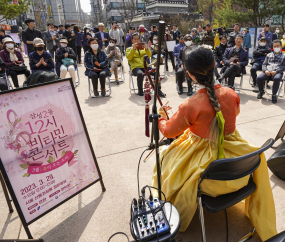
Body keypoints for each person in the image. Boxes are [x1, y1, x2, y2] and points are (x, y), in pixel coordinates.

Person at [151, 44, 277, 242]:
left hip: (209, 175)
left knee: (163, 159)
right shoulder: (231, 93)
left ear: (190, 75)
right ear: (215, 65)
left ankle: (169, 213)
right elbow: (231, 115)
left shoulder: (189, 105)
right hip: (238, 171)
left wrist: (160, 116)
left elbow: (168, 131)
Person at [126, 33, 165, 97]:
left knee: (156, 72)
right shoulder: (129, 49)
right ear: (132, 40)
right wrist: (133, 49)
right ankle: (140, 90)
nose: (136, 41)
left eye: (138, 39)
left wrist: (147, 49)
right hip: (135, 67)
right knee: (140, 74)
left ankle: (158, 90)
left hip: (145, 66)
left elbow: (149, 55)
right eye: (135, 39)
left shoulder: (143, 48)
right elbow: (129, 57)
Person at [256, 39, 285, 104]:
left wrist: (276, 71)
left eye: (278, 46)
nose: (276, 47)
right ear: (273, 47)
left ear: (280, 46)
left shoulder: (284, 56)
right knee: (259, 78)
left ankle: (274, 95)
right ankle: (261, 91)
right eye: (274, 46)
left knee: (277, 78)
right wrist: (265, 70)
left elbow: (284, 67)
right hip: (267, 72)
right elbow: (264, 64)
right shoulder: (269, 55)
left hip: (277, 72)